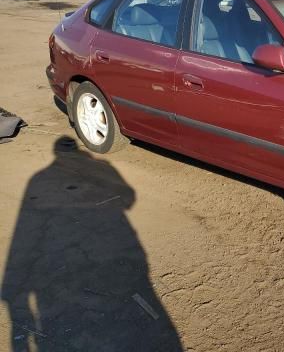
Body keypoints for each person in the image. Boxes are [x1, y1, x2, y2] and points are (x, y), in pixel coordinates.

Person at [1, 136, 183, 351]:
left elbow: (24, 231)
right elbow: (128, 198)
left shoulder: (39, 178)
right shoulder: (97, 168)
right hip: (113, 253)